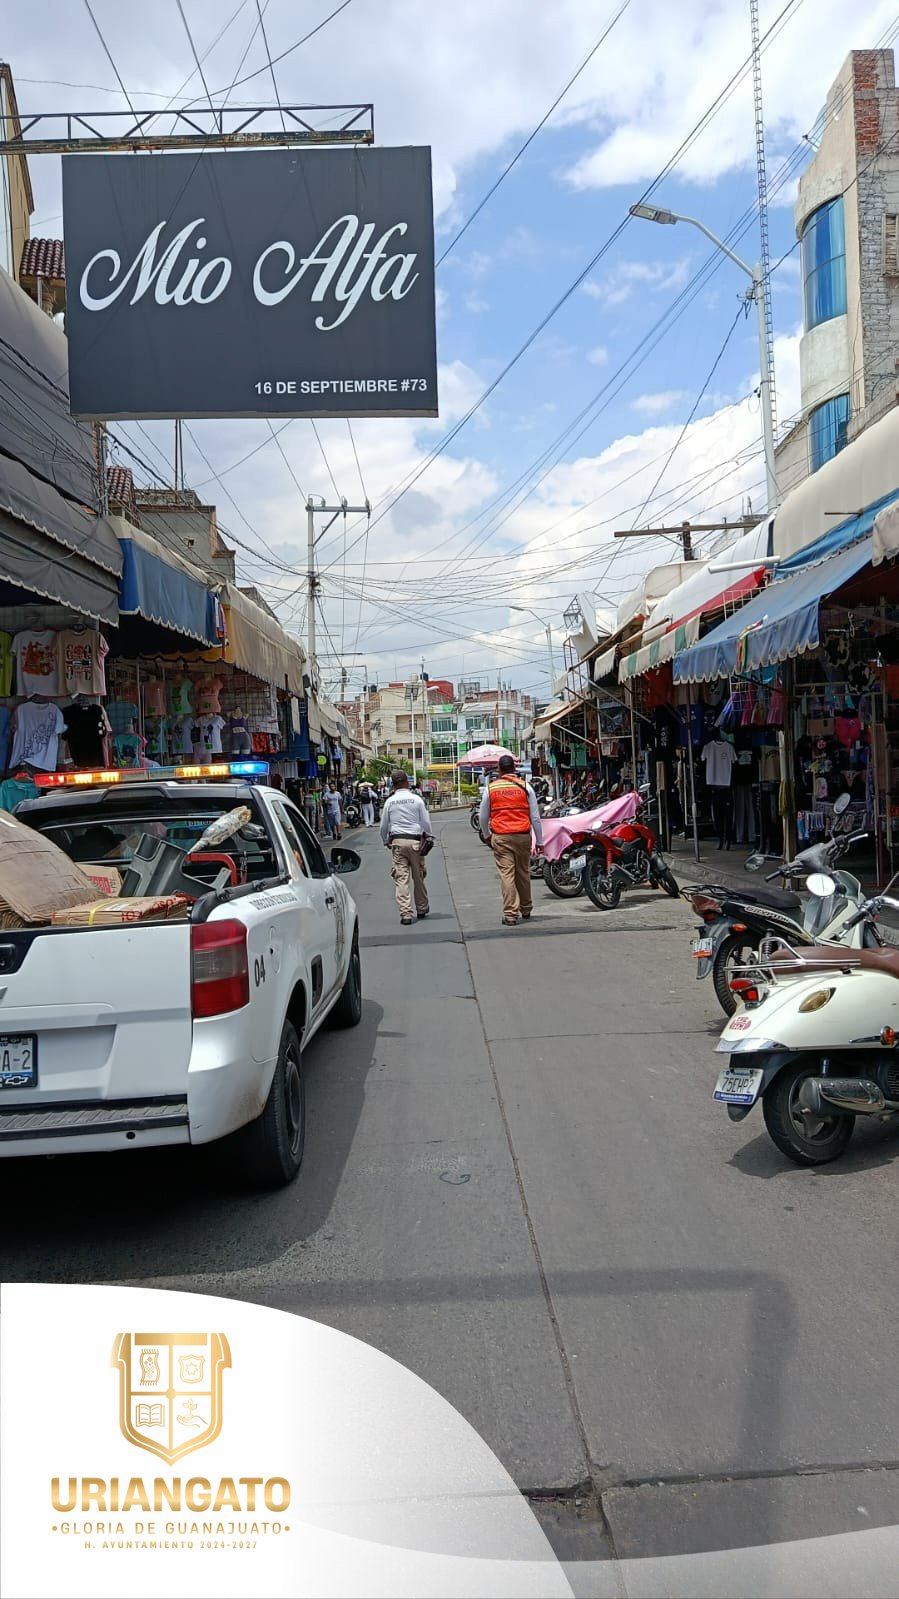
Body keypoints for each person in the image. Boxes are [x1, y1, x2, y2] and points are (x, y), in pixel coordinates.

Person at [479, 753, 543, 927]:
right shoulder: (525, 787)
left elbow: (483, 817)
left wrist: (486, 836)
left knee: (507, 875)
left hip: (501, 837)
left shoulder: (491, 789)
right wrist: (540, 841)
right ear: (514, 769)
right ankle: (526, 908)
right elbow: (535, 818)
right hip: (523, 836)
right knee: (523, 873)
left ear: (499, 769)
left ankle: (510, 914)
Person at [379, 768, 433, 925]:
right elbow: (426, 822)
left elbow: (383, 826)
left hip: (397, 843)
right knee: (419, 877)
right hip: (416, 842)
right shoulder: (416, 800)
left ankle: (406, 914)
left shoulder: (389, 801)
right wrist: (428, 836)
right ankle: (422, 908)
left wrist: (385, 840)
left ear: (393, 785)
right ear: (406, 782)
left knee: (401, 879)